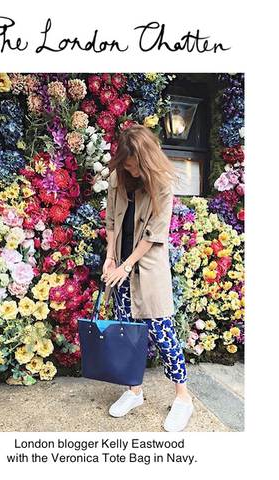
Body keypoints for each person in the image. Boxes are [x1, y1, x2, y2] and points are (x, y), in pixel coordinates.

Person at [101, 124, 193, 432]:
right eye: (127, 164)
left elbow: (154, 235)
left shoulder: (162, 184)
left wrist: (124, 265)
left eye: (136, 164)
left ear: (148, 159)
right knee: (127, 332)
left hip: (146, 269)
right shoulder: (118, 179)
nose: (131, 169)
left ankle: (183, 398)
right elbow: (112, 220)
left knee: (163, 333)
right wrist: (110, 257)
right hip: (120, 269)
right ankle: (134, 391)